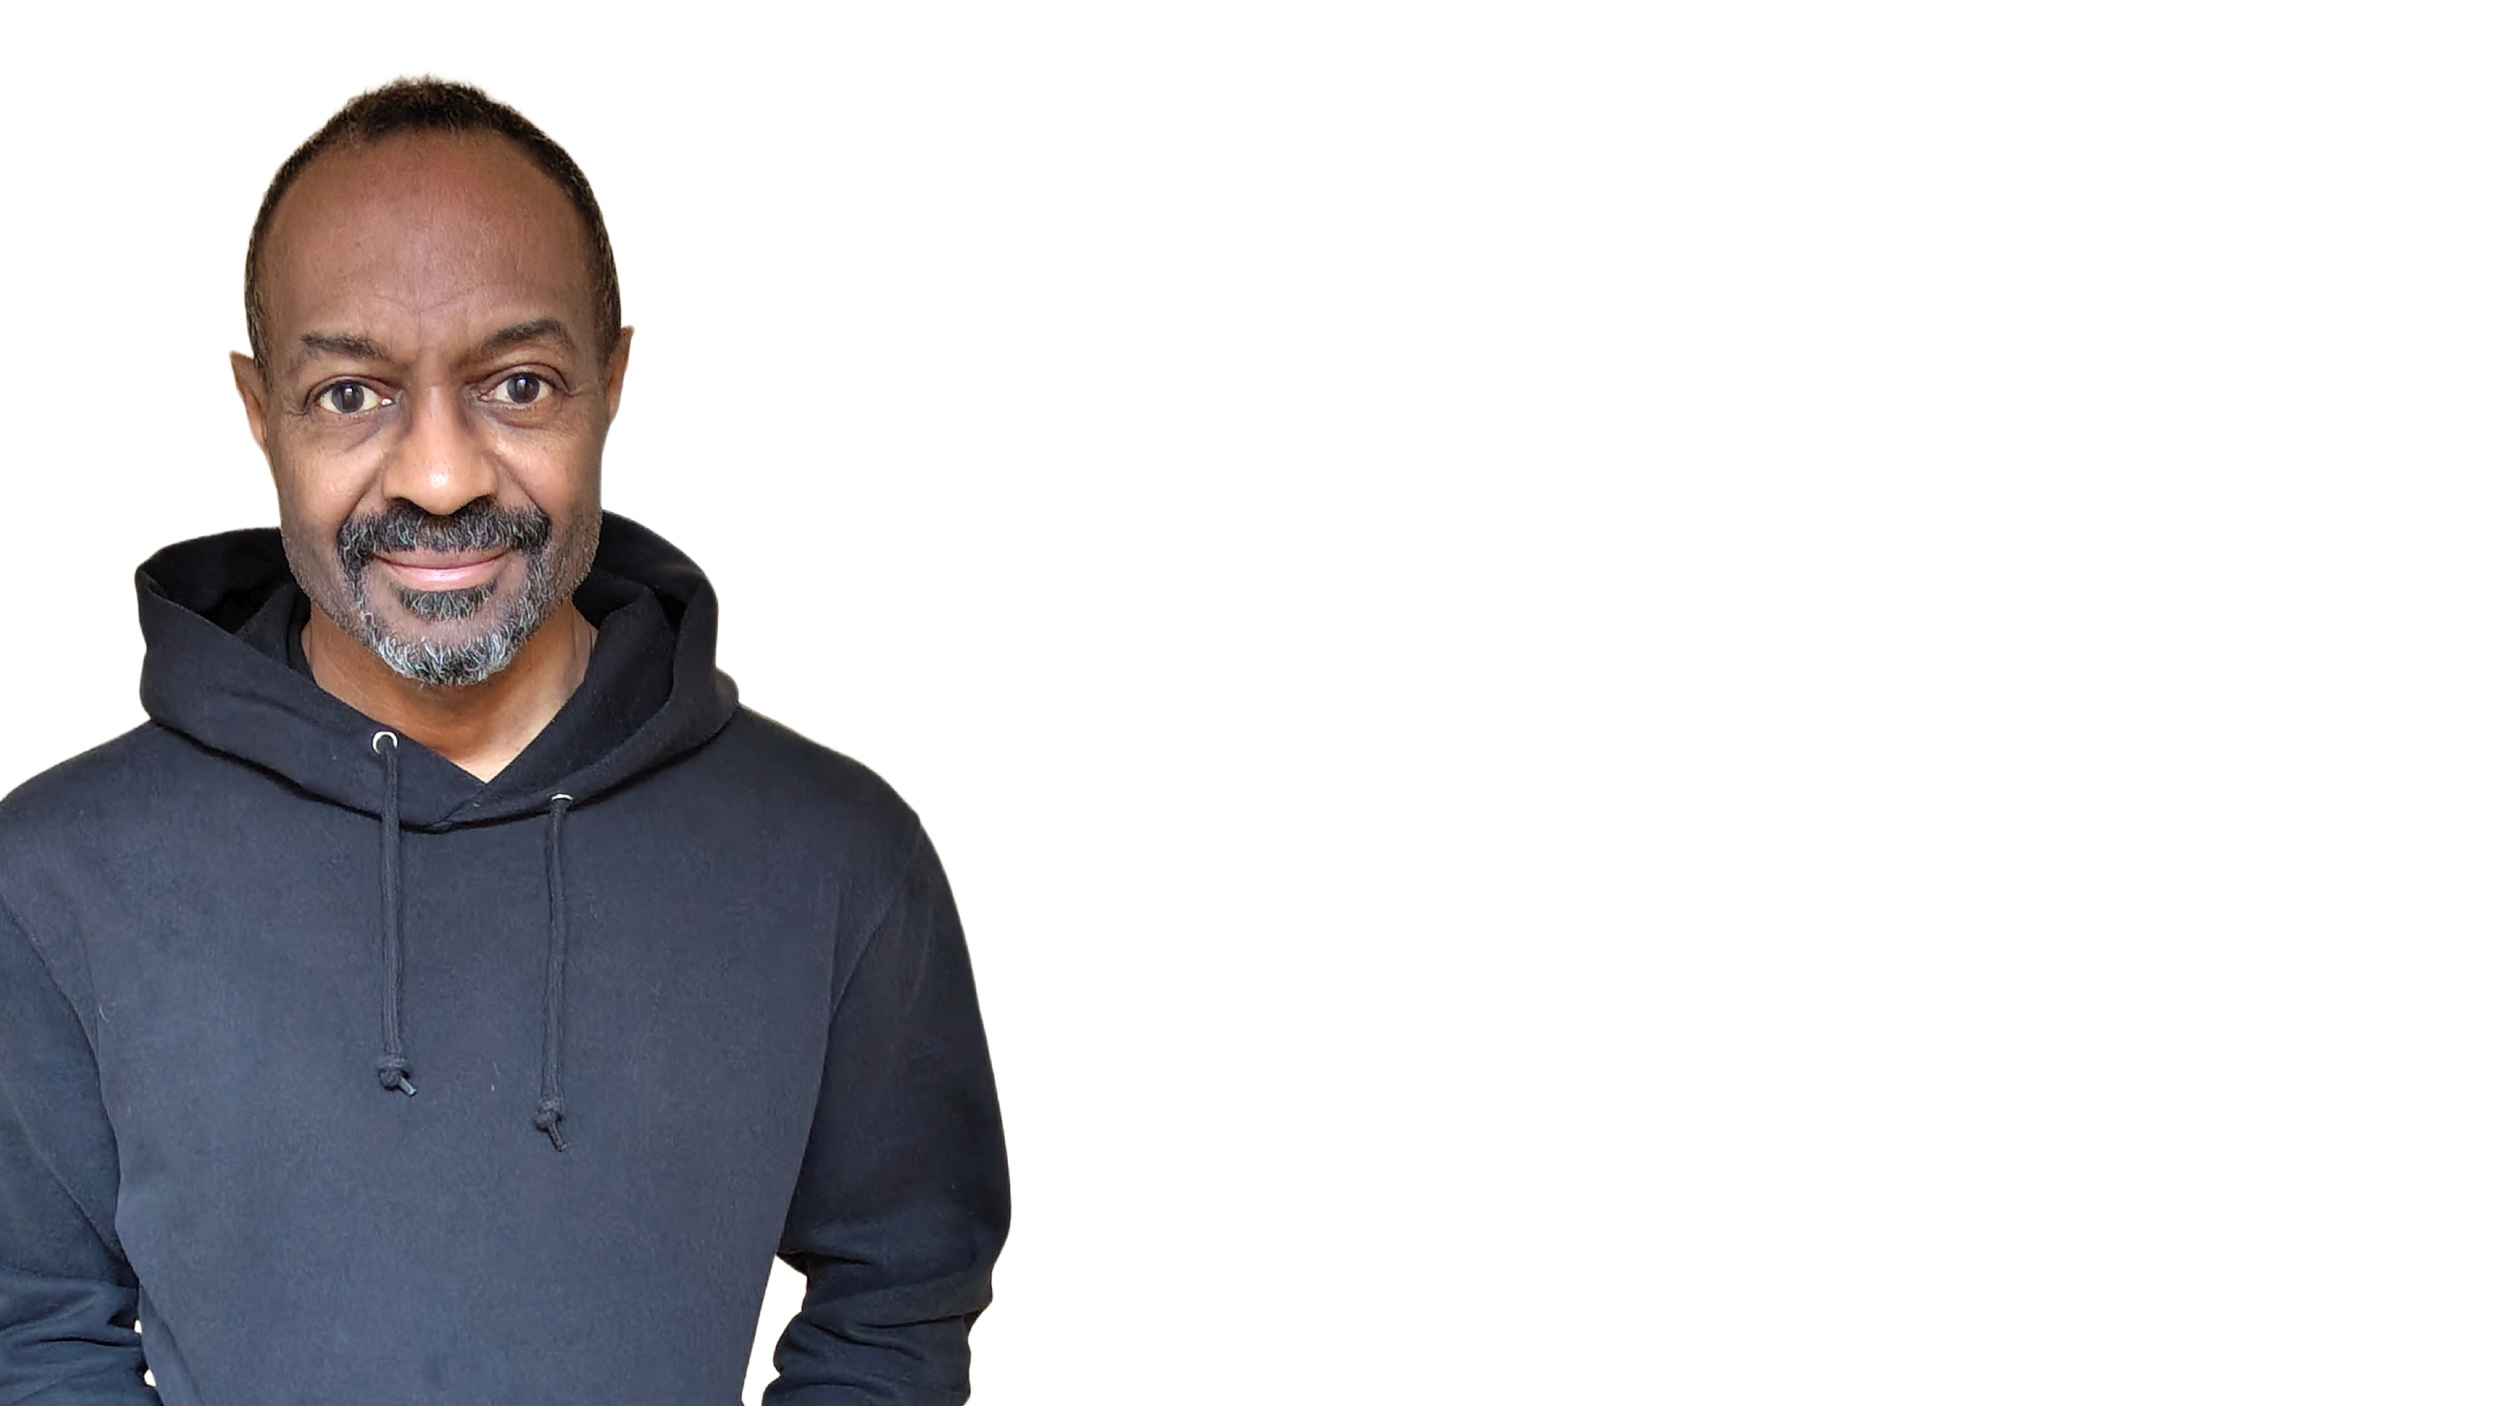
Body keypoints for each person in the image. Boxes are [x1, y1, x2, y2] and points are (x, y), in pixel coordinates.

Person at [0, 78, 1009, 1404]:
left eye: (518, 385)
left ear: (613, 380)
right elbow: (31, 1332)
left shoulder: (838, 857)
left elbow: (898, 1300)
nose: (441, 476)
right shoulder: (53, 878)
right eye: (350, 392)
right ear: (260, 406)